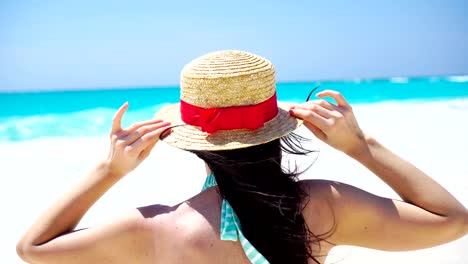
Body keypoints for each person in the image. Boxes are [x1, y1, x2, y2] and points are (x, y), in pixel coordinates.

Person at [17, 50, 467, 264]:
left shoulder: (155, 228)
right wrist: (362, 148)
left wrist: (107, 170)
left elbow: (32, 250)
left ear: (192, 141)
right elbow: (453, 221)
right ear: (277, 128)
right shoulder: (323, 205)